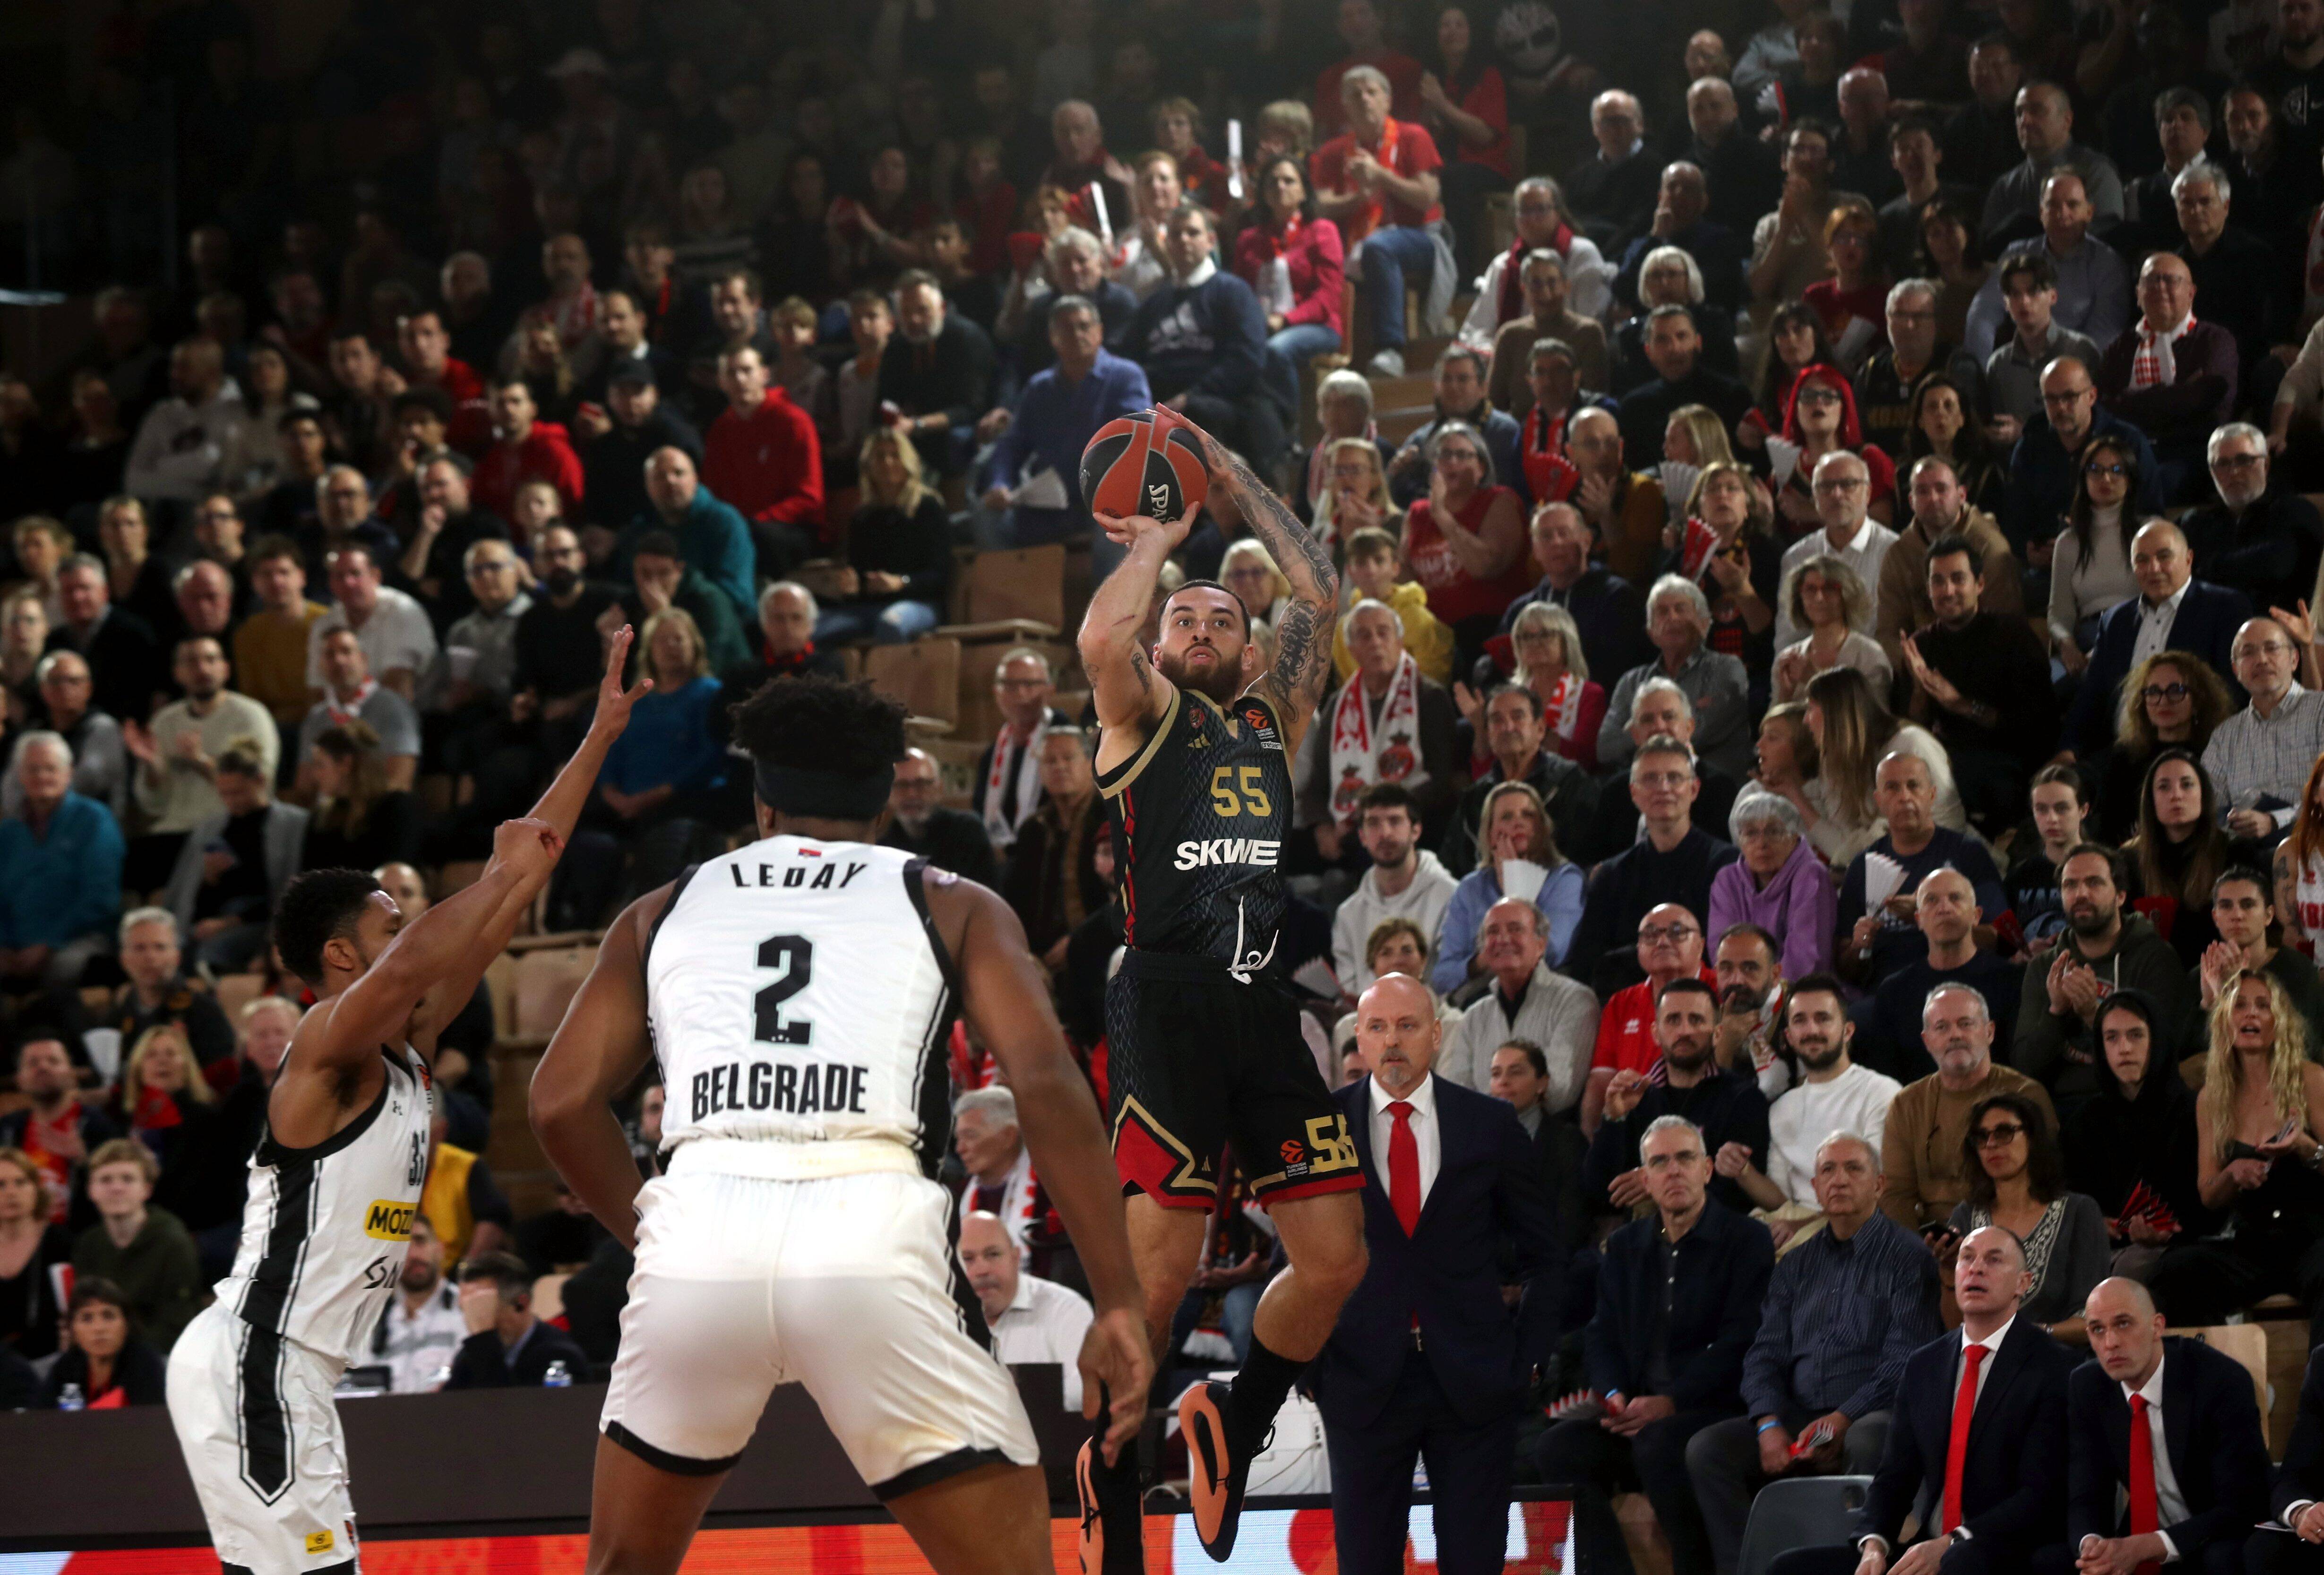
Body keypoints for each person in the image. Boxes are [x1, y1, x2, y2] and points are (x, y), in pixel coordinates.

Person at [527, 673, 1149, 1575]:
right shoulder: (953, 900)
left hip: (700, 1222)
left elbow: (556, 1102)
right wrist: (1118, 1296)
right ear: (884, 795)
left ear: (761, 798)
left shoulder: (659, 908)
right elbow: (1047, 1085)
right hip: (867, 1221)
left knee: (624, 1566)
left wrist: (652, 1229)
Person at [165, 630, 643, 1575]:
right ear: (344, 956)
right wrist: (496, 870)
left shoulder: (412, 1047)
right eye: (391, 916)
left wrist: (599, 733)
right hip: (257, 1357)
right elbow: (438, 935)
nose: (415, 927)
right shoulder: (324, 1042)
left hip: (299, 1368)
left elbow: (527, 869)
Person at [1317, 972, 1561, 1575]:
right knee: (1366, 1563)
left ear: (1436, 1035)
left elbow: (1549, 1256)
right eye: (1377, 1027)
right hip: (1362, 1383)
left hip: (1474, 1382)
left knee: (1474, 1561)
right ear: (1360, 1039)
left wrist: (1524, 1357)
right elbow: (1295, 1262)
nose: (1392, 1041)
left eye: (1406, 1026)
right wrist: (1312, 1370)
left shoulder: (1489, 1124)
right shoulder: (1321, 1128)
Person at [1686, 1132, 1942, 1575]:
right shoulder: (1796, 1263)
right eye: (1828, 1170)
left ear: (1879, 1184)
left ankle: (1859, 1565)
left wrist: (1843, 1418)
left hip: (1874, 1411)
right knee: (1708, 1449)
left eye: (1853, 1169)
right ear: (1817, 1188)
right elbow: (1764, 1354)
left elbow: (1907, 1359)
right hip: (1800, 1413)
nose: (1839, 1180)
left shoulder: (1908, 1257)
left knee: (1866, 1439)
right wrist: (1768, 1423)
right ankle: (1746, 1569)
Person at [1536, 1115, 1774, 1575]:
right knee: (1556, 1449)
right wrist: (1613, 1397)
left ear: (1706, 1169)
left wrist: (1672, 1401)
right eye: (1659, 1162)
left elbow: (1742, 1341)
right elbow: (1601, 1334)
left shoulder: (1746, 1239)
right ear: (1645, 1180)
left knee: (1659, 1446)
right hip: (1635, 1414)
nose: (1673, 1171)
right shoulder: (1624, 1245)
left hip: (1711, 1408)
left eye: (1685, 1158)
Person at [1762, 1227, 2075, 1575]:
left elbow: (2039, 1495)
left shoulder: (2053, 1366)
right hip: (1929, 1548)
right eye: (1967, 1258)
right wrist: (1875, 1544)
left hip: (2005, 1550)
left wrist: (1954, 1541)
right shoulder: (1925, 1363)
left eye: (1994, 1259)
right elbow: (1895, 1476)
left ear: (2023, 1282)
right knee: (1790, 1567)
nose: (1976, 1268)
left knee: (1960, 1562)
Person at [2148, 969, 2324, 1347]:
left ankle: (2318, 1392)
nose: (2251, 1014)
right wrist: (2232, 1173)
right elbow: (2209, 1193)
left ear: (2281, 1023)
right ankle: (2222, 1377)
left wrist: (2307, 1148)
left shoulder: (2312, 1079)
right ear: (2224, 1022)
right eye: (2240, 1005)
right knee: (2174, 1271)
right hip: (2251, 1242)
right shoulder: (2212, 1098)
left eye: (2264, 1006)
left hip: (2313, 1235)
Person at [2068, 1276, 2271, 1575]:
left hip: (2214, 1532)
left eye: (2123, 1324)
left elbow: (2243, 1504)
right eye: (2098, 1329)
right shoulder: (2089, 1386)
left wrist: (2148, 1546)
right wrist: (2092, 1546)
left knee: (2223, 1560)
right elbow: (2085, 1491)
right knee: (2061, 1561)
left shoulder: (2219, 1380)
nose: (2110, 1342)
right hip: (2143, 1530)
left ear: (2157, 1326)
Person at [975, 295, 1152, 565]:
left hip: (1105, 501)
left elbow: (1136, 439)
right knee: (986, 515)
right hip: (1047, 507)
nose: (1077, 335)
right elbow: (1011, 445)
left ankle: (1109, 608)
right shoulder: (1039, 387)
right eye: (1067, 330)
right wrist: (1001, 484)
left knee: (1121, 530)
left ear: (1100, 331)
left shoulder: (1126, 376)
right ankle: (1020, 603)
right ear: (1053, 338)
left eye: (1084, 326)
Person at [1899, 533, 2058, 831]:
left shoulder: (2013, 636)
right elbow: (1911, 728)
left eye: (1958, 579)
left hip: (2009, 760)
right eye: (1938, 582)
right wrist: (1921, 689)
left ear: (1980, 584)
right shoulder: (1920, 645)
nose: (1948, 591)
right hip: (1943, 762)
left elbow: (2038, 727)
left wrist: (1960, 705)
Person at [1564, 736, 1742, 994]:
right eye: (1651, 779)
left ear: (1694, 789)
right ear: (1634, 793)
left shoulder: (1727, 866)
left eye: (1674, 778)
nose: (1664, 788)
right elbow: (1588, 964)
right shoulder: (1612, 876)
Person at [2065, 522, 2253, 762]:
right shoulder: (2116, 620)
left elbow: (2233, 691)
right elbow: (2093, 694)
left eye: (2164, 557)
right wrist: (2067, 751)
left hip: (2196, 749)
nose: (2153, 569)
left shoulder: (2225, 607)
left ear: (2188, 559)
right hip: (2121, 753)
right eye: (2142, 560)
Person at [1587, 978, 1774, 1218]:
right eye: (1673, 1020)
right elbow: (1600, 1193)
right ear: (1656, 1033)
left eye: (1696, 1020)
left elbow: (1738, 1198)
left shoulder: (1743, 1097)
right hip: (1643, 1240)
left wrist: (1656, 1184)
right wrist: (1613, 1118)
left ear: (1718, 1034)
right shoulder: (1636, 1097)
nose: (1685, 1031)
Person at [1120, 207, 1285, 475]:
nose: (1184, 240)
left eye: (1193, 233)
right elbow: (1129, 359)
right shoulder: (1154, 304)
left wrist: (1190, 397)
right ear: (1167, 244)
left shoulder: (1233, 293)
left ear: (1211, 241)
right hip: (1161, 406)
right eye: (1176, 235)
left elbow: (1247, 359)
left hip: (1219, 403)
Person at [1882, 982, 2058, 1231]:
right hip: (1929, 1241)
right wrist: (1916, 1253)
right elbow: (1896, 1195)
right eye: (1942, 1027)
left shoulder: (2026, 1095)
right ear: (1927, 1040)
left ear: (1990, 1032)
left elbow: (2043, 1184)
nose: (1955, 1035)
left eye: (1966, 1024)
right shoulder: (1907, 1104)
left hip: (2005, 1235)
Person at [1312, 65, 1446, 378]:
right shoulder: (1334, 151)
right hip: (1356, 242)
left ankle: (1390, 349)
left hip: (1418, 236)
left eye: (1372, 92)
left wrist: (1381, 176)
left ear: (1387, 100)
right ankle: (1333, 356)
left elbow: (1427, 197)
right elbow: (1322, 206)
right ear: (1344, 104)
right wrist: (1360, 198)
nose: (1364, 100)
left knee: (1377, 249)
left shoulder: (1413, 137)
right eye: (1355, 94)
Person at [2065, 991, 2207, 1279]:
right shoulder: (2086, 1120)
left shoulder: (2192, 1111)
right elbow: (2068, 1196)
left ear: (2156, 1040)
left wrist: (2166, 1233)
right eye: (2112, 1038)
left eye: (2136, 1035)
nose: (2125, 1049)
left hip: (2177, 1251)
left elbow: (2209, 1208)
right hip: (2099, 1250)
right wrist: (2094, 1221)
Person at [1944, 1093, 2110, 1337]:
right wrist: (1948, 1272)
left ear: (2032, 1139)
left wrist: (2033, 1335)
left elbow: (2093, 1318)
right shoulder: (1966, 1215)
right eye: (1982, 1137)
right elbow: (1952, 1328)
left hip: (2056, 1358)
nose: (1991, 1145)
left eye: (2004, 1133)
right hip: (1979, 1358)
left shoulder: (2078, 1213)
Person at [1837, 751, 2010, 984]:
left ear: (1932, 794)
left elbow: (2001, 939)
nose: (1905, 797)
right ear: (1879, 801)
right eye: (1893, 788)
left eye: (1914, 786)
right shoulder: (1862, 866)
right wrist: (1860, 945)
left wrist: (1925, 919)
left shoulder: (1967, 854)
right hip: (1888, 993)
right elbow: (1845, 969)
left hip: (1957, 987)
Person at [1765, 981, 1909, 1228]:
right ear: (1788, 1037)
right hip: (1793, 1228)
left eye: (1823, 1019)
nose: (1812, 1030)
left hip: (1858, 1228)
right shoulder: (1781, 1109)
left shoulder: (1882, 1092)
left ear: (1848, 1031)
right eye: (1800, 1020)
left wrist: (1804, 1227)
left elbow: (1876, 1190)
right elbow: (1780, 1199)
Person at [1867, 869, 2026, 1084]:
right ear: (1918, 919)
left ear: (1976, 916)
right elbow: (1886, 1078)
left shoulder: (2013, 980)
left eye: (1955, 898)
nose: (1944, 908)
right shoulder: (1894, 992)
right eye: (1932, 900)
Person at [1441, 896, 1598, 1110]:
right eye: (1493, 932)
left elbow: (1560, 1092)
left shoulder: (1575, 1001)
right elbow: (1457, 1095)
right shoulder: (1474, 1016)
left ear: (1541, 944)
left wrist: (1492, 1109)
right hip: (1483, 1138)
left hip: (1546, 1137)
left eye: (1515, 929)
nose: (1503, 939)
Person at [1875, 456, 2022, 680]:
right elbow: (1889, 632)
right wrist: (1918, 669)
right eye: (1923, 492)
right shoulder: (1900, 554)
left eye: (1941, 489)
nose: (1933, 498)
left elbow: (2006, 627)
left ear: (1962, 495)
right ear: (1911, 501)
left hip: (1982, 672)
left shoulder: (1990, 548)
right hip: (1918, 671)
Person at [0, 731, 125, 990]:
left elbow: (101, 897)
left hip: (79, 939)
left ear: (68, 773)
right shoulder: (8, 833)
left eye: (50, 769)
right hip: (15, 946)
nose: (42, 777)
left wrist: (49, 943)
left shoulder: (94, 820)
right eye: (33, 770)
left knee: (65, 968)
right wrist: (5, 946)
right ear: (20, 776)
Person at [1599, 575, 1754, 782]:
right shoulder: (1631, 682)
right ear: (1651, 632)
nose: (1672, 617)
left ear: (1704, 623)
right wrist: (1667, 728)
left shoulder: (1727, 669)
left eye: (1681, 609)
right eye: (1662, 612)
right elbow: (1605, 748)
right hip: (1648, 791)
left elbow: (1699, 733)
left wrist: (1639, 729)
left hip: (1714, 789)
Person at [1440, 681, 1599, 879]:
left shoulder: (1570, 782)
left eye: (1518, 717)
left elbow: (1587, 859)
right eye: (1497, 720)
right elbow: (1450, 868)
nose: (1507, 727)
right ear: (1488, 734)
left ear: (1540, 729)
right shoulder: (1475, 797)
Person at [702, 344, 824, 575]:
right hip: (741, 529)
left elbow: (809, 498)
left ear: (764, 375)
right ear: (721, 382)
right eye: (731, 373)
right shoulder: (720, 429)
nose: (739, 379)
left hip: (790, 531)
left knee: (759, 537)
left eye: (747, 370)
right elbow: (713, 491)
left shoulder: (794, 422)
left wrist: (755, 523)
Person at [72, 1136, 201, 1350]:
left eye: (128, 1179)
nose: (117, 1188)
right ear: (91, 1190)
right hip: (99, 1352)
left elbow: (177, 1321)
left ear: (147, 1190)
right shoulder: (89, 1244)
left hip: (159, 1354)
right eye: (105, 1180)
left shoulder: (173, 1241)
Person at [2180, 423, 2324, 612]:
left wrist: (2208, 567)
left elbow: (2276, 565)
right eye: (2222, 463)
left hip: (2279, 631)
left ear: (2266, 465)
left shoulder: (2294, 511)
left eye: (2244, 460)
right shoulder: (2196, 521)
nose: (2234, 472)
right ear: (2212, 472)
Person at [2204, 616, 2324, 843]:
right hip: (2243, 853)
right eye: (2248, 653)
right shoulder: (2225, 736)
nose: (2261, 660)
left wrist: (2275, 821)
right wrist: (2232, 822)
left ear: (2294, 660)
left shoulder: (2320, 711)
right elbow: (2210, 807)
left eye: (2272, 648)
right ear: (2236, 669)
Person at [959, 1210, 1094, 1407]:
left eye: (993, 1254)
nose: (981, 1270)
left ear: (1016, 1258)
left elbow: (1085, 1390)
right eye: (968, 1259)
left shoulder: (1066, 1309)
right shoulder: (939, 1315)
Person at [1333, 783, 1457, 996]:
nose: (1385, 833)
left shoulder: (1451, 897)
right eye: (1374, 823)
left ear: (1416, 830)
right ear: (1362, 837)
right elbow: (1351, 992)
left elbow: (1452, 980)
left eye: (1395, 821)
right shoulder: (1349, 914)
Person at [2098, 652, 2236, 843]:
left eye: (2176, 690)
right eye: (2153, 692)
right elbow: (2108, 832)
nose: (2163, 701)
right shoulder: (2125, 758)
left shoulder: (2217, 754)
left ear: (2198, 700)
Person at [1709, 791, 1836, 982]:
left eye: (1774, 832)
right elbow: (1721, 949)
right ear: (1739, 840)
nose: (1762, 843)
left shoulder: (1811, 875)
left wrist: (1769, 1000)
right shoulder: (1728, 880)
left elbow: (1807, 958)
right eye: (1751, 833)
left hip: (1801, 993)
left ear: (1795, 837)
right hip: (1741, 989)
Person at [1982, 250, 2100, 439]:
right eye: (2015, 294)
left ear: (2053, 297)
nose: (2024, 302)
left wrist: (2026, 432)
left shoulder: (2080, 351)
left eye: (2034, 292)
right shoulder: (1999, 364)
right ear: (2006, 303)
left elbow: (2096, 420)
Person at [443, 1250, 593, 1388]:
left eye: (484, 1311)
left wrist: (484, 1341)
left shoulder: (560, 1357)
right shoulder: (469, 1357)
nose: (475, 1321)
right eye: (469, 1311)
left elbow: (507, 1409)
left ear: (521, 1304)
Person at [369, 1210, 467, 1393]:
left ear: (440, 1249)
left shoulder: (465, 1309)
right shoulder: (375, 1324)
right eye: (402, 1247)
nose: (412, 1255)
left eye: (420, 1241)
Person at [1776, 553, 1891, 707]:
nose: (1819, 598)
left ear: (1847, 595)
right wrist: (1785, 695)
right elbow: (1774, 727)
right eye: (1810, 589)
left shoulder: (1869, 656)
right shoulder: (1788, 659)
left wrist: (1813, 678)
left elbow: (1873, 718)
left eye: (1830, 589)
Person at [881, 748, 1000, 889]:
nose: (912, 794)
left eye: (921, 784)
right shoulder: (885, 847)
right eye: (902, 785)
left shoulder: (967, 831)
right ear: (888, 794)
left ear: (940, 788)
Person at [43, 1278, 170, 1408]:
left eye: (108, 1316)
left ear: (126, 1325)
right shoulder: (65, 1369)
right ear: (72, 1329)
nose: (99, 1328)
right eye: (87, 1318)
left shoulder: (146, 1366)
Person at [0, 1145, 71, 1357]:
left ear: (36, 1189)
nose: (11, 1192)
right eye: (1, 1185)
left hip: (48, 1359)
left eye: (21, 1183)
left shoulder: (61, 1242)